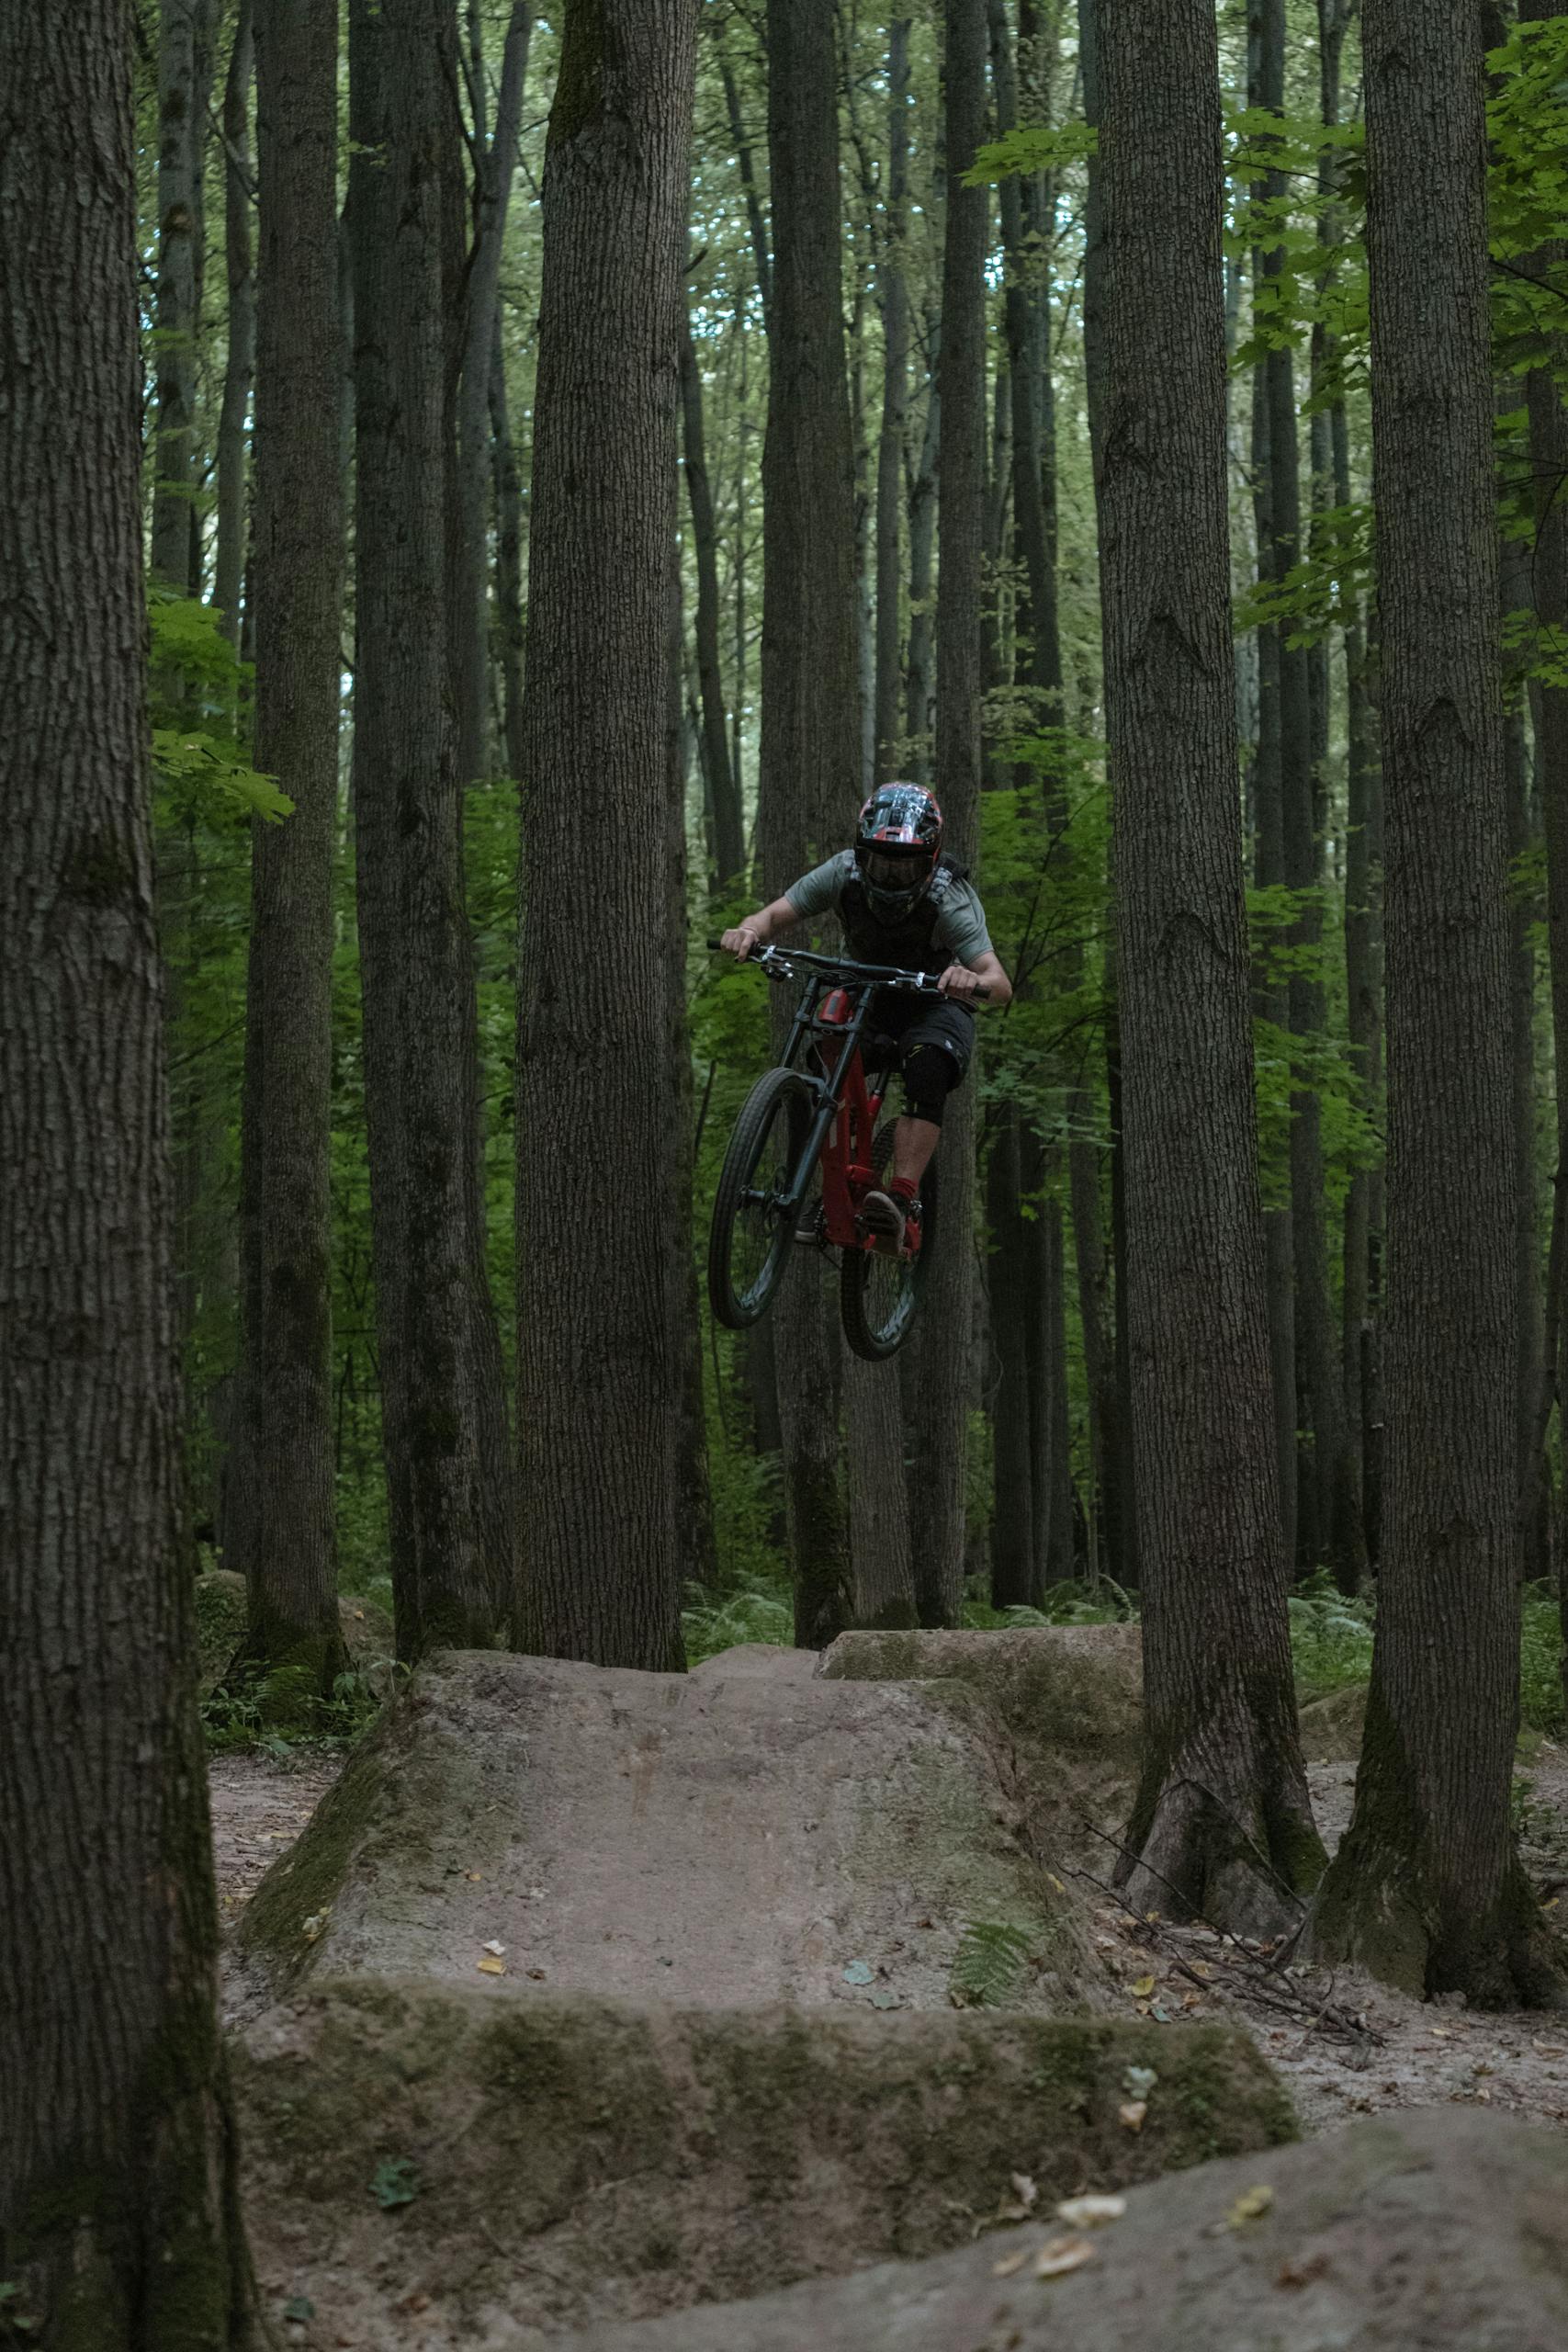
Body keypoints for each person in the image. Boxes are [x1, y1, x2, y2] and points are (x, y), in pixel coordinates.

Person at [720, 781, 1012, 1250]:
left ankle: (901, 1200)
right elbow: (771, 916)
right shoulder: (841, 872)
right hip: (866, 992)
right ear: (862, 854)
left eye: (906, 866)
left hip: (933, 1001)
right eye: (881, 863)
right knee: (823, 1057)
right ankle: (831, 1188)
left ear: (930, 860)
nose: (892, 877)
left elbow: (999, 984)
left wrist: (966, 978)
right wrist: (747, 931)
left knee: (928, 1065)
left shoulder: (950, 897)